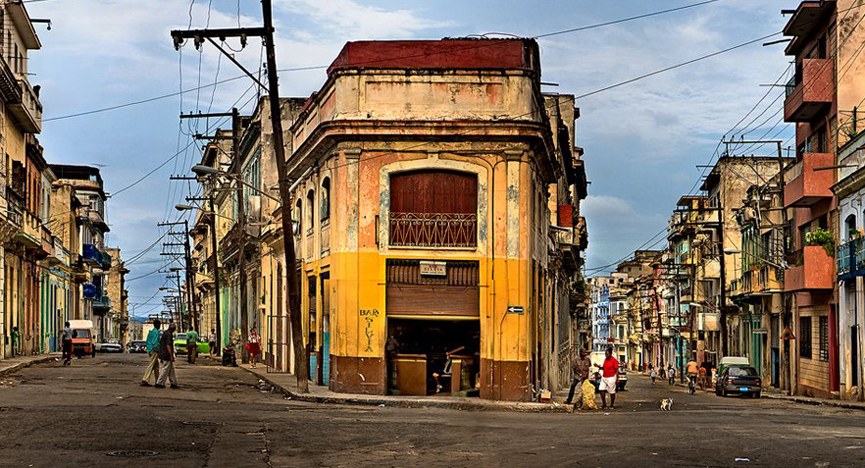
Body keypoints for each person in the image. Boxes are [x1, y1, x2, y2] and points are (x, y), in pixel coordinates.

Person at [155, 322, 179, 389]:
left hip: (163, 353)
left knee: (171, 369)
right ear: (173, 328)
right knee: (165, 368)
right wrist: (171, 355)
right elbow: (168, 345)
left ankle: (173, 383)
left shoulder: (166, 333)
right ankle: (159, 383)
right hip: (166, 354)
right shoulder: (169, 334)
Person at [141, 319, 162, 386]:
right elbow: (155, 342)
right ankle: (145, 379)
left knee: (156, 366)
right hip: (154, 350)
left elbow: (148, 341)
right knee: (151, 365)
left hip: (150, 350)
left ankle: (158, 381)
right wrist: (158, 350)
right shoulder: (156, 332)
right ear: (158, 325)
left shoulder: (151, 332)